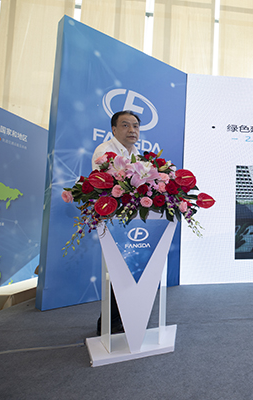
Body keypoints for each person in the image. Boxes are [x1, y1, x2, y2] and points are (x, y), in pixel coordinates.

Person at [93, 110, 141, 336]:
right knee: (116, 271)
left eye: (135, 126)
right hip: (114, 219)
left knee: (129, 271)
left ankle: (121, 319)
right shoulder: (105, 152)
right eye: (125, 125)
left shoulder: (137, 155)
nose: (132, 130)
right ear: (114, 129)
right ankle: (108, 322)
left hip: (132, 221)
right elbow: (104, 185)